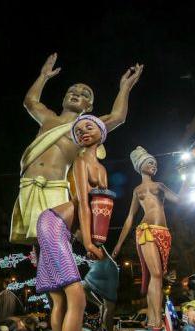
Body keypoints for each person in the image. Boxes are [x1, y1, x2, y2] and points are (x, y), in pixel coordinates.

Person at [11, 52, 143, 245]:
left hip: (55, 188)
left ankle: (86, 266)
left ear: (88, 106)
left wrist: (125, 88)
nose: (77, 94)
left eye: (84, 94)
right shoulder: (48, 118)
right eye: (72, 91)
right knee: (38, 244)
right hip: (28, 185)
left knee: (54, 239)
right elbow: (30, 102)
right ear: (64, 98)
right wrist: (44, 76)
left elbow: (117, 117)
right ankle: (47, 276)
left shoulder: (85, 128)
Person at [35, 115, 111, 331]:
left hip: (62, 229)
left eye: (88, 127)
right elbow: (83, 204)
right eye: (78, 130)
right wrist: (89, 243)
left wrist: (93, 240)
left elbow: (99, 209)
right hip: (53, 223)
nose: (83, 132)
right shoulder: (79, 162)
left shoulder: (100, 168)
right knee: (76, 297)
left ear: (102, 132)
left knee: (60, 300)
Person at [112, 146, 186, 331]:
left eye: (155, 162)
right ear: (140, 165)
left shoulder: (159, 186)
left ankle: (154, 317)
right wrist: (119, 244)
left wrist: (186, 179)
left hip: (164, 232)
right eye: (150, 162)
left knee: (158, 276)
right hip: (145, 231)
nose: (154, 165)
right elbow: (130, 217)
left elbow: (179, 200)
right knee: (156, 274)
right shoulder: (137, 190)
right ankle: (155, 321)